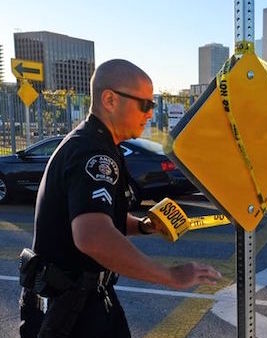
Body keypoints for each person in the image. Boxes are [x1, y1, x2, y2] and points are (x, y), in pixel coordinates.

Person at [19, 59, 221, 337]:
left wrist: (143, 225)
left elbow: (97, 214)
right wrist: (170, 276)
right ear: (110, 99)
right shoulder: (93, 153)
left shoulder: (97, 144)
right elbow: (92, 235)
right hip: (72, 310)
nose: (150, 114)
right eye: (145, 104)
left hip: (85, 298)